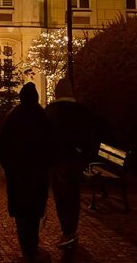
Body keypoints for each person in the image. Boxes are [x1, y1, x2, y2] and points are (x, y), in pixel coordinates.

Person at [0, 81, 52, 263]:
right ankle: (33, 247)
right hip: (37, 175)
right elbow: (50, 147)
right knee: (35, 212)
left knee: (21, 213)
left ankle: (26, 248)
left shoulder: (12, 116)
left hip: (17, 176)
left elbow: (2, 146)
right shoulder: (42, 116)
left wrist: (8, 168)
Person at [45, 77, 95, 249]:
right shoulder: (81, 111)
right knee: (73, 195)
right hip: (75, 161)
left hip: (57, 160)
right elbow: (90, 136)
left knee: (61, 196)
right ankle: (71, 230)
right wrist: (82, 154)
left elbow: (45, 137)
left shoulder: (51, 111)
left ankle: (67, 230)